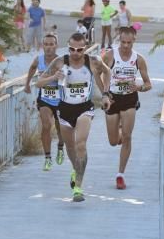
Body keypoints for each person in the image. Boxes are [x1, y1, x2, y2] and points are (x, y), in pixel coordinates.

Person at [36, 32, 111, 203]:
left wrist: (105, 94)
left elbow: (108, 73)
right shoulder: (60, 62)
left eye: (79, 49)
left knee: (81, 144)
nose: (75, 53)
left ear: (85, 48)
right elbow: (38, 83)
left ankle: (78, 186)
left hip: (84, 108)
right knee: (70, 148)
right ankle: (75, 169)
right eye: (71, 49)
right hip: (64, 109)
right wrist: (54, 77)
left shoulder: (92, 61)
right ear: (67, 47)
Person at [102, 26, 152, 190]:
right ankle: (120, 131)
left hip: (130, 99)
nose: (125, 45)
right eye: (123, 42)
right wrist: (105, 93)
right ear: (119, 40)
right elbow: (100, 74)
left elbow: (148, 84)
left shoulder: (139, 59)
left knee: (128, 137)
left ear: (134, 41)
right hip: (113, 100)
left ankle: (120, 175)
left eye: (129, 43)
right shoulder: (110, 55)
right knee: (113, 141)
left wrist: (139, 88)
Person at [24, 32, 65, 171]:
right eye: (46, 44)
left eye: (51, 44)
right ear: (42, 46)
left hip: (60, 99)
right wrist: (27, 84)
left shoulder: (62, 61)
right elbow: (31, 68)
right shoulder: (38, 59)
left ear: (56, 45)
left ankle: (60, 146)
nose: (48, 47)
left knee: (61, 128)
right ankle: (47, 158)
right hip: (45, 98)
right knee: (46, 125)